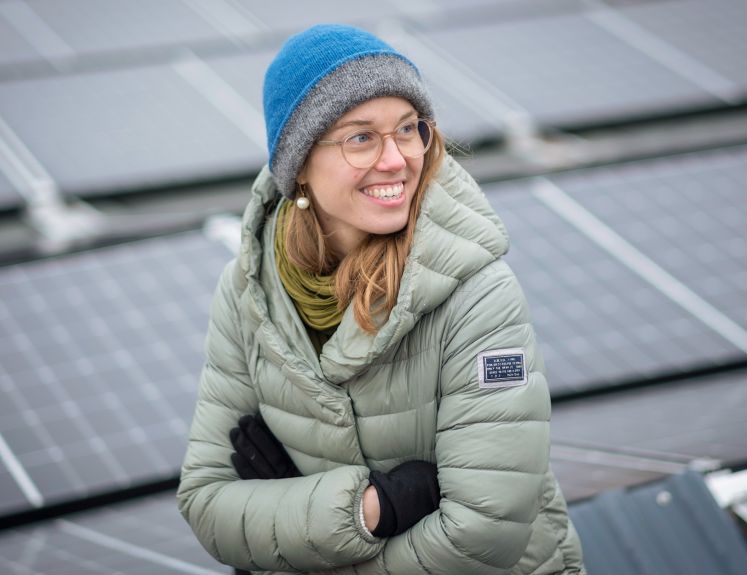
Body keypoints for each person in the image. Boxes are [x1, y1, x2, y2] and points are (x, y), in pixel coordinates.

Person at [177, 23, 586, 575]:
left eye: (408, 130)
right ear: (298, 165)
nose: (396, 160)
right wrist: (372, 509)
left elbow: (482, 535)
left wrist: (291, 526)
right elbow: (206, 503)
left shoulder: (477, 293)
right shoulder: (248, 290)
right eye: (361, 137)